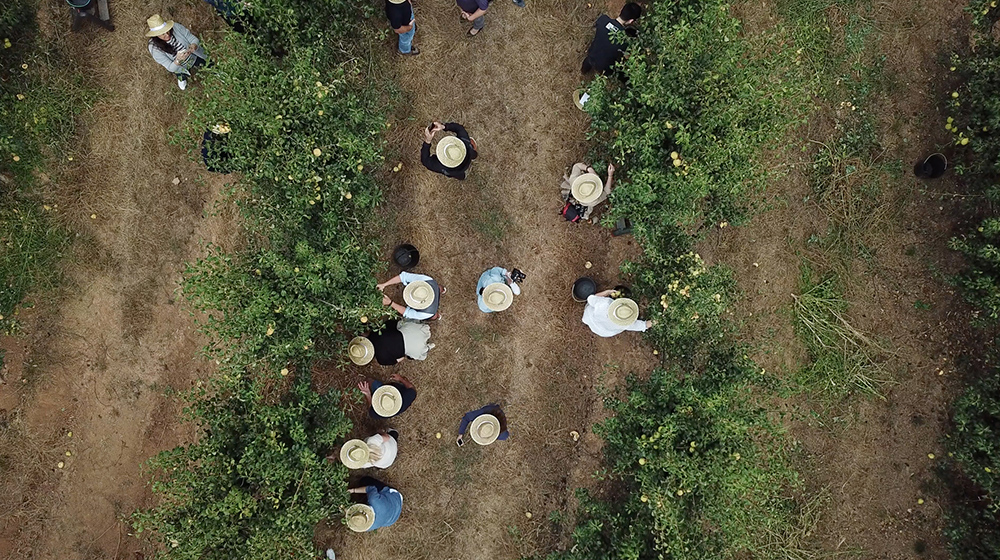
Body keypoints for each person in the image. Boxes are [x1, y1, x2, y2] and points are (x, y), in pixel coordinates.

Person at [146, 14, 207, 90]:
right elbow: (170, 67)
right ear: (156, 35)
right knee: (177, 70)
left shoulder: (176, 27)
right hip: (178, 65)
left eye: (167, 31)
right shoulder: (154, 48)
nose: (167, 35)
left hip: (193, 56)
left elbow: (193, 39)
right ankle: (181, 75)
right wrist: (178, 60)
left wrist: (193, 45)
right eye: (162, 34)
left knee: (209, 65)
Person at [581, 3, 642, 74]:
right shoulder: (625, 40)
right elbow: (626, 54)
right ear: (631, 21)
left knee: (589, 61)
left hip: (591, 56)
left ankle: (583, 71)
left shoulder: (603, 19)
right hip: (604, 68)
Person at [348, 319, 433, 366]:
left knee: (418, 355)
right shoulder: (376, 332)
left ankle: (428, 347)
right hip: (413, 330)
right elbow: (390, 324)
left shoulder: (382, 360)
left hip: (416, 348)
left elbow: (401, 358)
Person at [582, 290, 653, 337]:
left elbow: (592, 298)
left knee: (591, 307)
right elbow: (644, 325)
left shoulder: (604, 304)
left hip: (589, 317)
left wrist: (607, 292)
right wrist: (660, 319)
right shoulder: (626, 325)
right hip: (603, 331)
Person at [378, 271, 445, 321]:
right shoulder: (428, 280)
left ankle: (437, 315)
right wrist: (384, 284)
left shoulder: (426, 313)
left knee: (433, 316)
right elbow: (403, 276)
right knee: (437, 287)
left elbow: (407, 313)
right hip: (433, 286)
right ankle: (440, 290)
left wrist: (390, 303)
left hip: (430, 312)